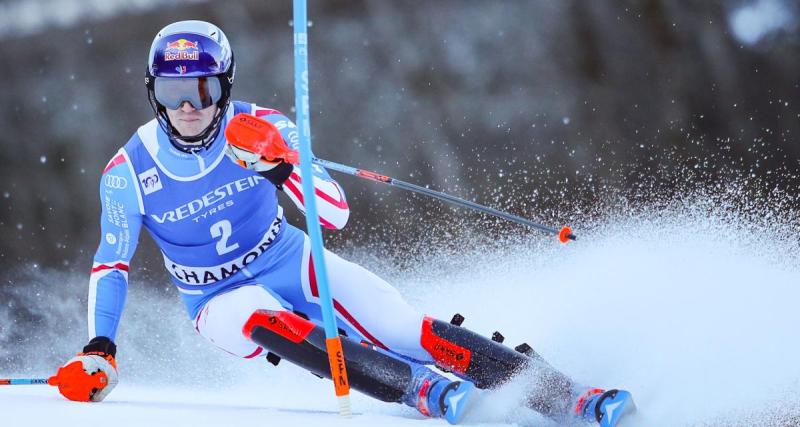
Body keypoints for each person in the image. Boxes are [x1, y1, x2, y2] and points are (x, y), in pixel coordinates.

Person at [49, 20, 635, 426]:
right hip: (215, 300)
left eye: (201, 88)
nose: (188, 106)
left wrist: (280, 166)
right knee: (261, 315)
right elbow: (111, 262)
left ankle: (568, 397)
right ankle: (416, 388)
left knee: (404, 326)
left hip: (289, 257)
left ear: (224, 85)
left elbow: (334, 214)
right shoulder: (128, 170)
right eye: (174, 91)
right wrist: (100, 348)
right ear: (155, 93)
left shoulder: (265, 124)